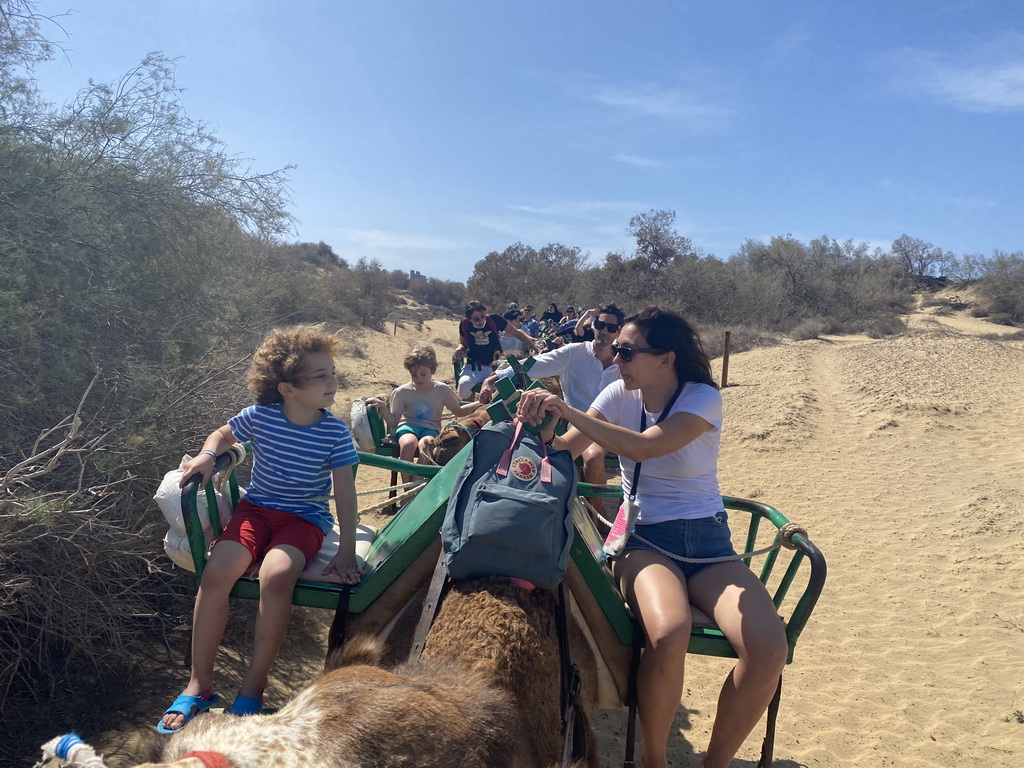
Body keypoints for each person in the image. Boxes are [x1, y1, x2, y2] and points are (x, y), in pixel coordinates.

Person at [516, 307, 788, 768]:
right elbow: (566, 448)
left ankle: (715, 763)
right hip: (642, 539)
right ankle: (654, 760)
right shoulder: (619, 392)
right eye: (615, 349)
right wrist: (542, 416)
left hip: (708, 542)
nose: (615, 357)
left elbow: (644, 446)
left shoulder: (701, 397)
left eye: (625, 351)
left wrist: (571, 411)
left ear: (666, 358)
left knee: (768, 650)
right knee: (668, 632)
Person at [159, 325, 363, 733]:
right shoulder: (262, 417)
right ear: (287, 388)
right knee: (216, 572)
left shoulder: (334, 433)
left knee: (276, 575)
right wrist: (205, 455)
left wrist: (344, 552)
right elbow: (221, 434)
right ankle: (200, 685)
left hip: (305, 518)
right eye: (320, 376)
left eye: (332, 372)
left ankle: (253, 689)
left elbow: (344, 493)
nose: (333, 382)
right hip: (256, 510)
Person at [479, 303, 625, 509]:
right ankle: (599, 517)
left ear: (619, 331)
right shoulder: (574, 353)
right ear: (593, 324)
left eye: (611, 328)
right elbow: (534, 364)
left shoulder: (624, 360)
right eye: (600, 324)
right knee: (593, 458)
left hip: (619, 427)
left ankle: (625, 512)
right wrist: (493, 378)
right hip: (582, 426)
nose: (604, 331)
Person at [366, 346, 481, 484]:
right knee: (408, 443)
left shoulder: (442, 390)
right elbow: (393, 423)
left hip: (430, 428)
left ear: (432, 370)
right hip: (407, 426)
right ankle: (407, 488)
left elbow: (458, 411)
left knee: (425, 445)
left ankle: (416, 486)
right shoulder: (402, 392)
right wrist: (383, 407)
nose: (418, 378)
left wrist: (479, 403)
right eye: (413, 375)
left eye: (423, 374)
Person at [452, 300, 537, 399]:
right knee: (464, 385)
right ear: (469, 319)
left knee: (500, 391)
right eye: (476, 319)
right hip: (474, 367)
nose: (481, 321)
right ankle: (469, 412)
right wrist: (459, 348)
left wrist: (534, 347)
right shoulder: (465, 324)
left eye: (482, 316)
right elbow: (463, 343)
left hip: (495, 367)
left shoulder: (494, 320)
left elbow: (517, 333)